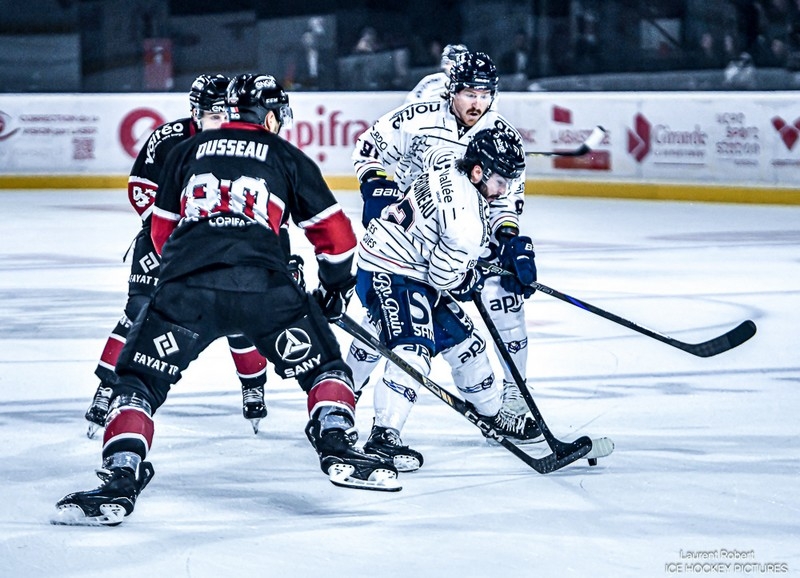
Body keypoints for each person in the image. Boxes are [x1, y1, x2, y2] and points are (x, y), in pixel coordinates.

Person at [53, 73, 399, 526]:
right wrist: (332, 290)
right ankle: (336, 441)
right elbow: (336, 238)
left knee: (137, 385)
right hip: (265, 290)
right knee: (325, 369)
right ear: (271, 116)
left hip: (186, 293)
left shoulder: (185, 151)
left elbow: (159, 234)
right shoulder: (286, 156)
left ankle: (120, 478)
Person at [349, 51, 539, 461]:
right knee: (409, 341)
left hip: (432, 243)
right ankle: (370, 424)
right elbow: (368, 148)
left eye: (485, 94)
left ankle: (497, 413)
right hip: (405, 256)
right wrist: (375, 187)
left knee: (466, 345)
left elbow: (504, 202)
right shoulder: (416, 117)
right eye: (469, 93)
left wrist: (508, 241)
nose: (477, 103)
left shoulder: (499, 141)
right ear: (452, 90)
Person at [84, 74, 277, 438]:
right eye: (211, 112)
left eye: (225, 111)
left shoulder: (249, 141)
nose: (219, 120)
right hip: (165, 240)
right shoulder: (170, 138)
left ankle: (253, 384)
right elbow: (140, 189)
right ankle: (108, 387)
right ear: (194, 111)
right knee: (139, 313)